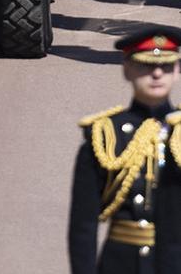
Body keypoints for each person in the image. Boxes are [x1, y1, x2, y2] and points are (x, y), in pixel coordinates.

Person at [68, 26, 181, 273]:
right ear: (127, 69)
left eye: (166, 67)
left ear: (178, 71)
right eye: (145, 66)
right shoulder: (105, 136)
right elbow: (83, 227)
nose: (157, 74)